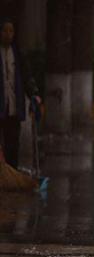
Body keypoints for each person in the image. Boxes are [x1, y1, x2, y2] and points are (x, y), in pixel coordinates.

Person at [0, 19, 38, 170]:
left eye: (11, 31)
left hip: (14, 106)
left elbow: (26, 76)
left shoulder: (18, 54)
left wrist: (34, 94)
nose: (8, 34)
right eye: (5, 31)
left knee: (13, 143)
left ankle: (12, 172)